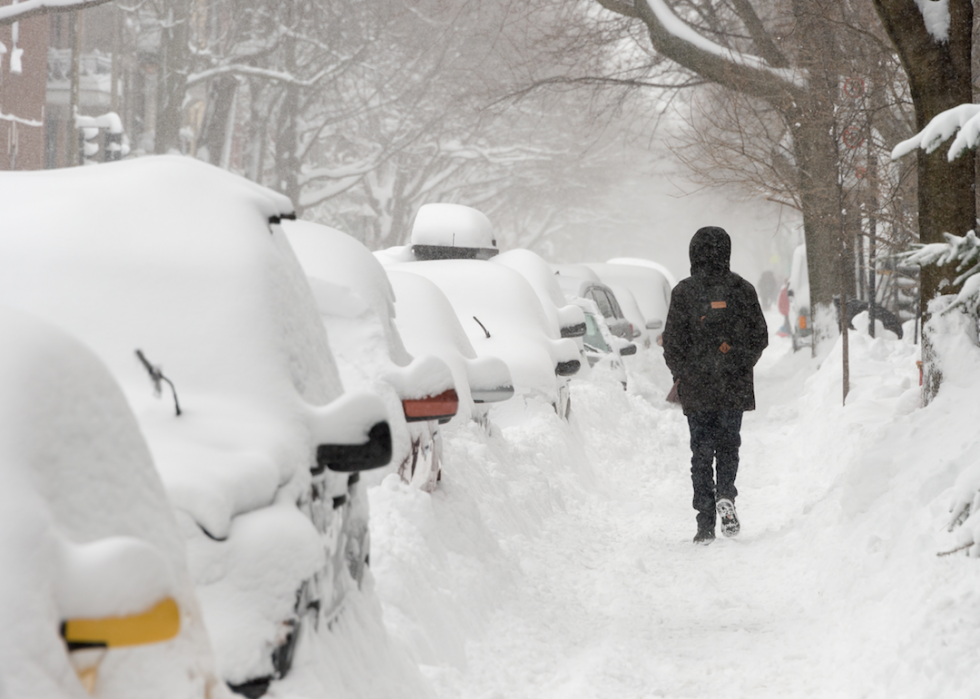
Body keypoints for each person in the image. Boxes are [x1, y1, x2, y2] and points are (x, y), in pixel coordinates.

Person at [662, 226, 768, 545]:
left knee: (701, 450)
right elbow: (759, 336)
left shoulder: (684, 292)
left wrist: (681, 373)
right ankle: (726, 494)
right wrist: (739, 362)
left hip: (697, 385)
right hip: (732, 385)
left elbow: (672, 342)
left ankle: (705, 522)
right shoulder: (742, 290)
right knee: (728, 444)